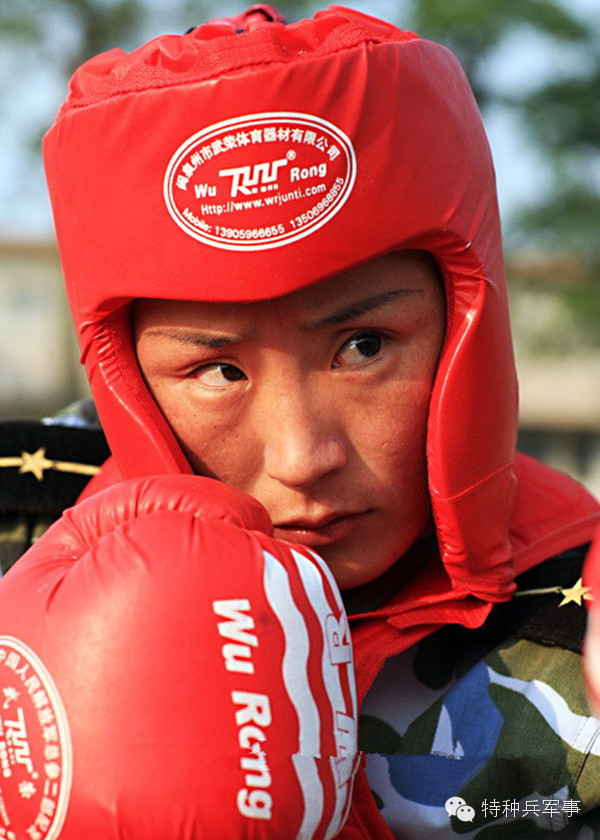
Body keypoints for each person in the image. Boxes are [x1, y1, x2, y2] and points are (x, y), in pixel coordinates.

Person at [0, 3, 598, 837]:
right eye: (218, 371)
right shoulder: (18, 523)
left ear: (469, 321)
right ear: (125, 373)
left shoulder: (578, 642)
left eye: (363, 347)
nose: (301, 457)